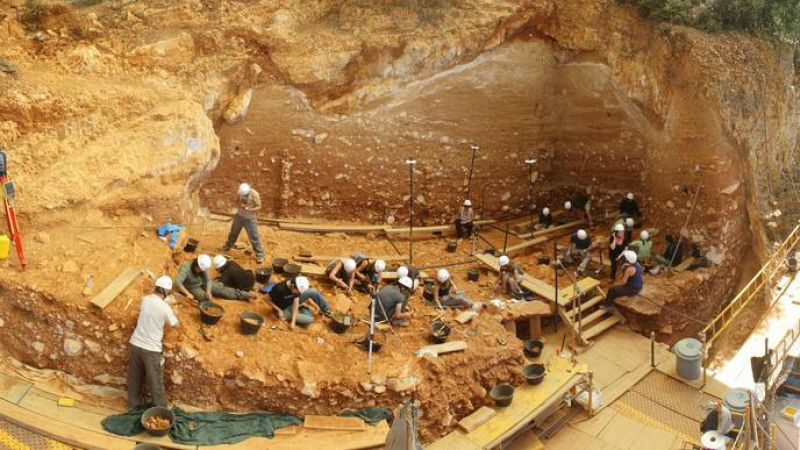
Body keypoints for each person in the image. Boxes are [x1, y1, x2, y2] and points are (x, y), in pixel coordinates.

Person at [127, 276, 179, 410]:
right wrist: (174, 312)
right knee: (155, 381)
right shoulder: (165, 307)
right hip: (151, 349)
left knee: (134, 378)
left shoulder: (145, 299)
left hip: (135, 344)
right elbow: (175, 324)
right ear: (166, 292)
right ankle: (161, 410)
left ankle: (133, 406)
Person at [221, 183, 265, 264]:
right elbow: (237, 201)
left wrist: (249, 209)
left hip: (250, 219)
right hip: (239, 216)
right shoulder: (240, 192)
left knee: (254, 236)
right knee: (233, 232)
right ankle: (228, 246)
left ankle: (260, 254)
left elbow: (259, 206)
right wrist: (239, 205)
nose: (242, 195)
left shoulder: (254, 194)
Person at [266, 276, 330, 329]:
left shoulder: (295, 285)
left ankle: (326, 310)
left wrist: (293, 321)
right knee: (309, 320)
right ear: (292, 286)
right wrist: (278, 310)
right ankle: (303, 309)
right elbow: (266, 298)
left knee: (313, 291)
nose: (299, 294)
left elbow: (296, 301)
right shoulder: (279, 288)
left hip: (291, 302)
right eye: (298, 292)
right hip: (284, 310)